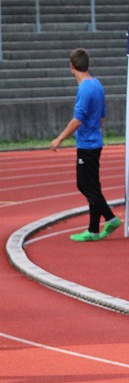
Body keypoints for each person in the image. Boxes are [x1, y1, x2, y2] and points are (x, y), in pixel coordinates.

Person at [50, 48, 122, 241]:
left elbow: (77, 120)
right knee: (93, 187)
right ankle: (93, 230)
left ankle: (110, 218)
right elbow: (101, 117)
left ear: (71, 67)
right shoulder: (97, 84)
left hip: (87, 145)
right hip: (95, 142)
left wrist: (59, 139)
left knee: (85, 185)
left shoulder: (84, 89)